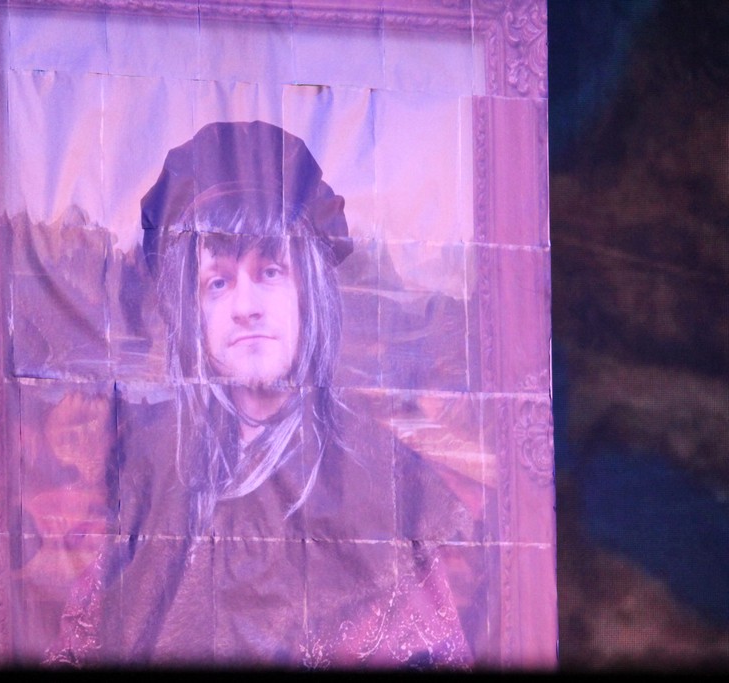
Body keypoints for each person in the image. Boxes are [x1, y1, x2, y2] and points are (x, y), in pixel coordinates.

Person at [45, 121, 478, 669]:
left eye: (270, 272)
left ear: (307, 295)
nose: (246, 306)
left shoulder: (382, 483)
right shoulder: (156, 473)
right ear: (192, 315)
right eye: (218, 282)